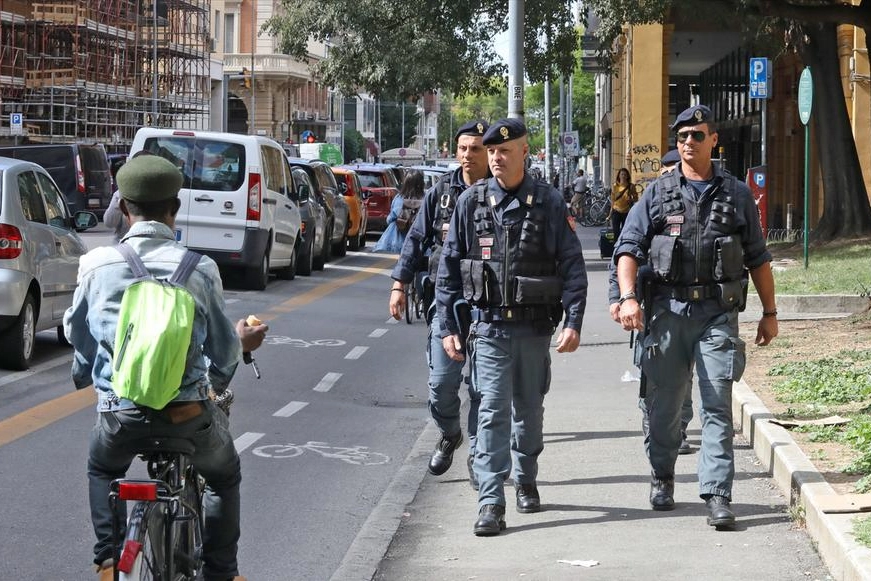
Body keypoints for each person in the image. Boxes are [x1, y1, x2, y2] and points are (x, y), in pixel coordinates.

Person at [63, 155, 268, 581]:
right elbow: (223, 349)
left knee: (103, 469)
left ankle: (106, 559)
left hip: (121, 413)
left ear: (124, 207)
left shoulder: (97, 265)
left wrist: (88, 377)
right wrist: (214, 382)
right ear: (175, 208)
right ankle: (221, 573)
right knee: (223, 478)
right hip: (188, 414)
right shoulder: (199, 268)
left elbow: (78, 334)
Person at [613, 104, 778, 530]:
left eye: (697, 135)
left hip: (716, 315)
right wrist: (628, 297)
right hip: (667, 313)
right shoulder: (657, 193)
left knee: (717, 404)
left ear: (713, 140)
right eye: (682, 136)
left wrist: (770, 313)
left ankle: (719, 493)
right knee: (664, 406)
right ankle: (663, 474)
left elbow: (758, 258)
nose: (688, 142)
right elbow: (628, 248)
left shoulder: (736, 193)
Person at [436, 118, 588, 536]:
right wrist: (449, 324)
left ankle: (526, 477)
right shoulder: (471, 202)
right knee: (491, 414)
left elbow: (572, 265)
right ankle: (490, 500)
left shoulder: (549, 202)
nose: (497, 158)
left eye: (505, 150)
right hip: (488, 331)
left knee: (529, 415)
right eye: (492, 151)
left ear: (525, 151)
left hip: (534, 330)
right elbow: (449, 269)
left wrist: (573, 321)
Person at [389, 120, 490, 489]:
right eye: (463, 148)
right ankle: (450, 432)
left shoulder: (500, 191)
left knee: (484, 389)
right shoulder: (442, 193)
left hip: (489, 305)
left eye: (476, 148)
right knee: (440, 385)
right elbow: (416, 240)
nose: (468, 155)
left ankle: (481, 461)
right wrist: (399, 284)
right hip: (447, 305)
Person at [607, 148, 694, 455]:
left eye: (676, 170)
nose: (672, 176)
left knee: (685, 375)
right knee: (650, 370)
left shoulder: (693, 211)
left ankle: (679, 428)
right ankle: (651, 418)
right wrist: (618, 298)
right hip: (648, 308)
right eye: (667, 171)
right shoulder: (648, 209)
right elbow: (621, 258)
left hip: (686, 310)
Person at [103, 150, 153, 242]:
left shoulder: (159, 194)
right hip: (124, 245)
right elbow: (109, 222)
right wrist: (121, 197)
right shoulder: (121, 193)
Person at [374, 170, 425, 253]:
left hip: (399, 240)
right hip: (420, 239)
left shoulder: (399, 198)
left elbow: (390, 219)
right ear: (421, 183)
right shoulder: (426, 198)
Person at [608, 167, 637, 237]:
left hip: (626, 212)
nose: (623, 176)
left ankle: (623, 247)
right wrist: (610, 214)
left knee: (625, 232)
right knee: (616, 232)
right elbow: (613, 200)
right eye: (622, 174)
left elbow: (636, 198)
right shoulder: (615, 186)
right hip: (616, 211)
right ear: (619, 176)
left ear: (627, 176)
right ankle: (616, 247)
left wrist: (631, 199)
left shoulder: (631, 186)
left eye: (625, 175)